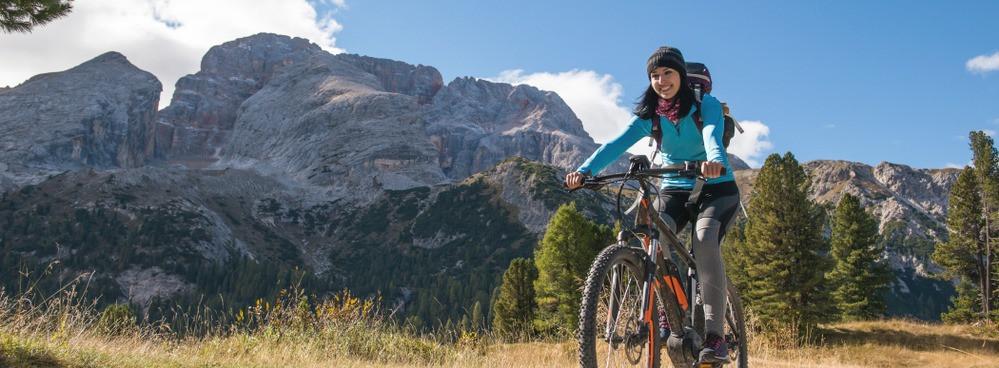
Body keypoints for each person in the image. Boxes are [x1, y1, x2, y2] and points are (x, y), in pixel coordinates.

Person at [564, 46, 739, 364]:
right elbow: (615, 143)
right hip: (674, 187)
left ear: (681, 75)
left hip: (715, 186)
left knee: (703, 239)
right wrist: (584, 171)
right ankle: (667, 310)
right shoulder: (651, 115)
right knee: (652, 232)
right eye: (655, 76)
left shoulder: (705, 105)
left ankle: (716, 337)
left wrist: (714, 159)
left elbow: (712, 134)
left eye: (668, 73)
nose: (661, 81)